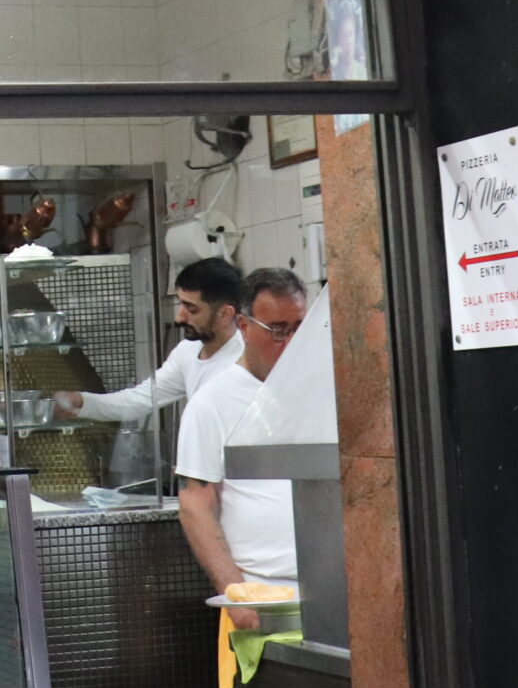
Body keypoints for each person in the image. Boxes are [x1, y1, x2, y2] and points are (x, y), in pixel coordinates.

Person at [171, 271, 330, 629]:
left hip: (332, 589)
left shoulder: (323, 390)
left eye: (298, 329)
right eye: (277, 330)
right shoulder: (212, 403)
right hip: (262, 598)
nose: (290, 343)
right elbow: (196, 505)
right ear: (243, 325)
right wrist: (236, 594)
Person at [54, 257, 254, 423]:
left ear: (225, 314)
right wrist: (81, 402)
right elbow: (141, 400)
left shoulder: (247, 361)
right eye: (181, 305)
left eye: (191, 309)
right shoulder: (187, 352)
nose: (179, 317)